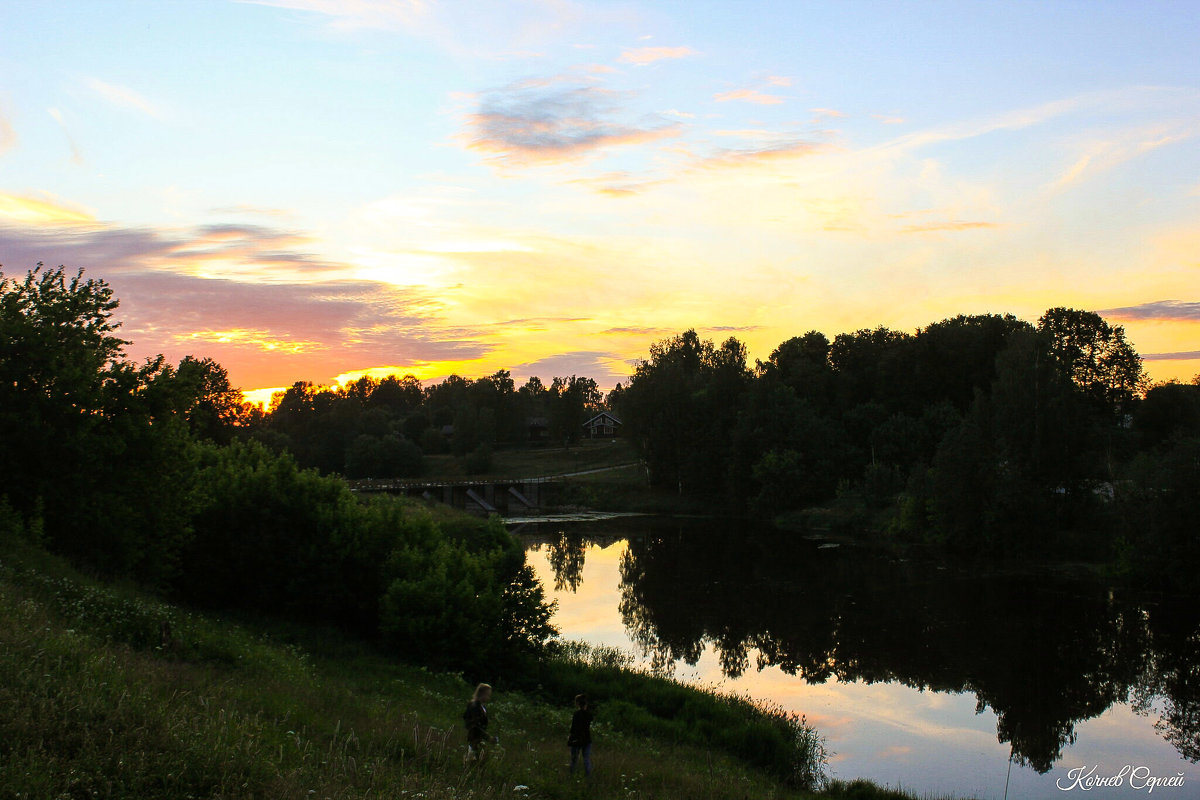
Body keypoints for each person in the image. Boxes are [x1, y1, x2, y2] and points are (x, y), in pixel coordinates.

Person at [463, 683, 494, 760]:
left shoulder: (481, 706)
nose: (488, 697)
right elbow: (474, 725)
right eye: (487, 695)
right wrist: (488, 737)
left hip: (479, 739)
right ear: (481, 694)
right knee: (472, 761)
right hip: (474, 738)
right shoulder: (475, 706)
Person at [567, 693, 593, 776]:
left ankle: (571, 775)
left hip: (576, 739)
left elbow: (573, 727)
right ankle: (588, 776)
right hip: (587, 739)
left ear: (578, 703)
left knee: (574, 760)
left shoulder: (576, 714)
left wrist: (570, 738)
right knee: (586, 759)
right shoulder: (589, 715)